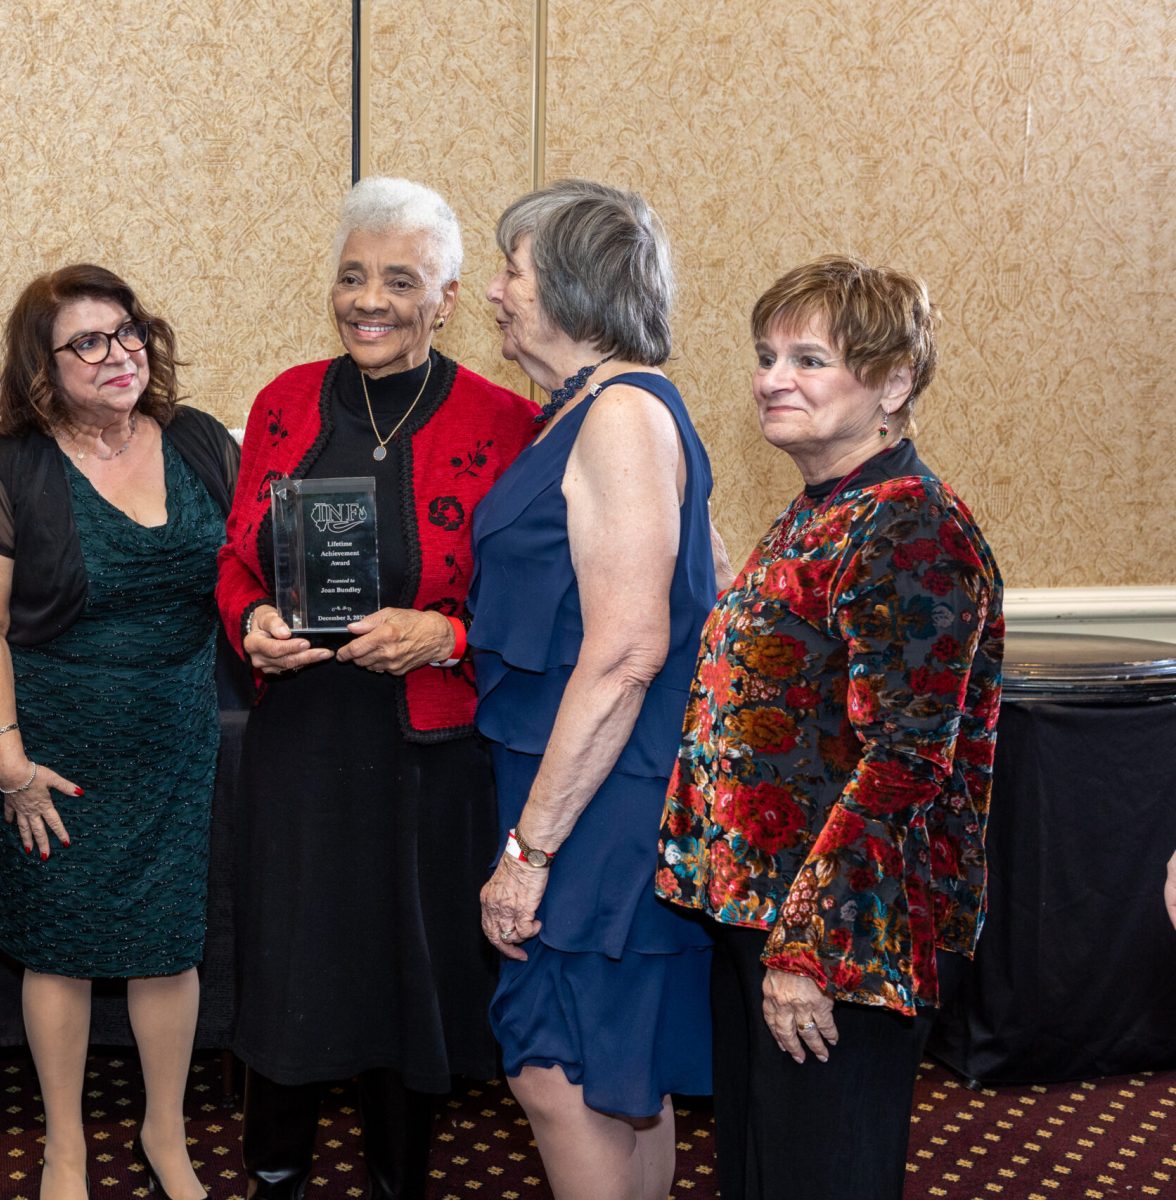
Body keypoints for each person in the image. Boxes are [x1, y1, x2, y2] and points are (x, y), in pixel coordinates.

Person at [656, 255, 1004, 1200]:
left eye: (810, 360)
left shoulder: (911, 528)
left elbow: (906, 762)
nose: (774, 379)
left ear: (893, 382)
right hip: (763, 913)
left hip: (848, 935)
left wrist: (806, 947)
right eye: (767, 356)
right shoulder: (825, 509)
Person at [217, 177, 538, 1200]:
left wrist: (448, 635)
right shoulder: (281, 402)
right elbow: (235, 558)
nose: (370, 300)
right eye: (353, 276)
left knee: (410, 980)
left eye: (401, 281)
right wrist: (250, 622)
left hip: (427, 760)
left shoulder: (508, 423)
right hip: (301, 745)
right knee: (292, 967)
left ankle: (402, 1177)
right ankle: (274, 1172)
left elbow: (547, 605)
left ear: (447, 299)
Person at [0, 263, 237, 1200]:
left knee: (170, 938)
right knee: (59, 945)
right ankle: (65, 1148)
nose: (118, 354)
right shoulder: (14, 467)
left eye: (128, 332)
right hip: (56, 744)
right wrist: (7, 758)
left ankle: (167, 1137)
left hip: (176, 734)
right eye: (87, 341)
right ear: (42, 367)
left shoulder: (200, 440)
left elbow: (248, 569)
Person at [466, 179, 716, 1200]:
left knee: (558, 1067)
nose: (494, 292)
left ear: (573, 284)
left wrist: (528, 854)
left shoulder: (617, 415)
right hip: (585, 788)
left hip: (595, 805)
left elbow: (625, 654)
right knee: (618, 1076)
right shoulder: (598, 410)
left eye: (513, 270)